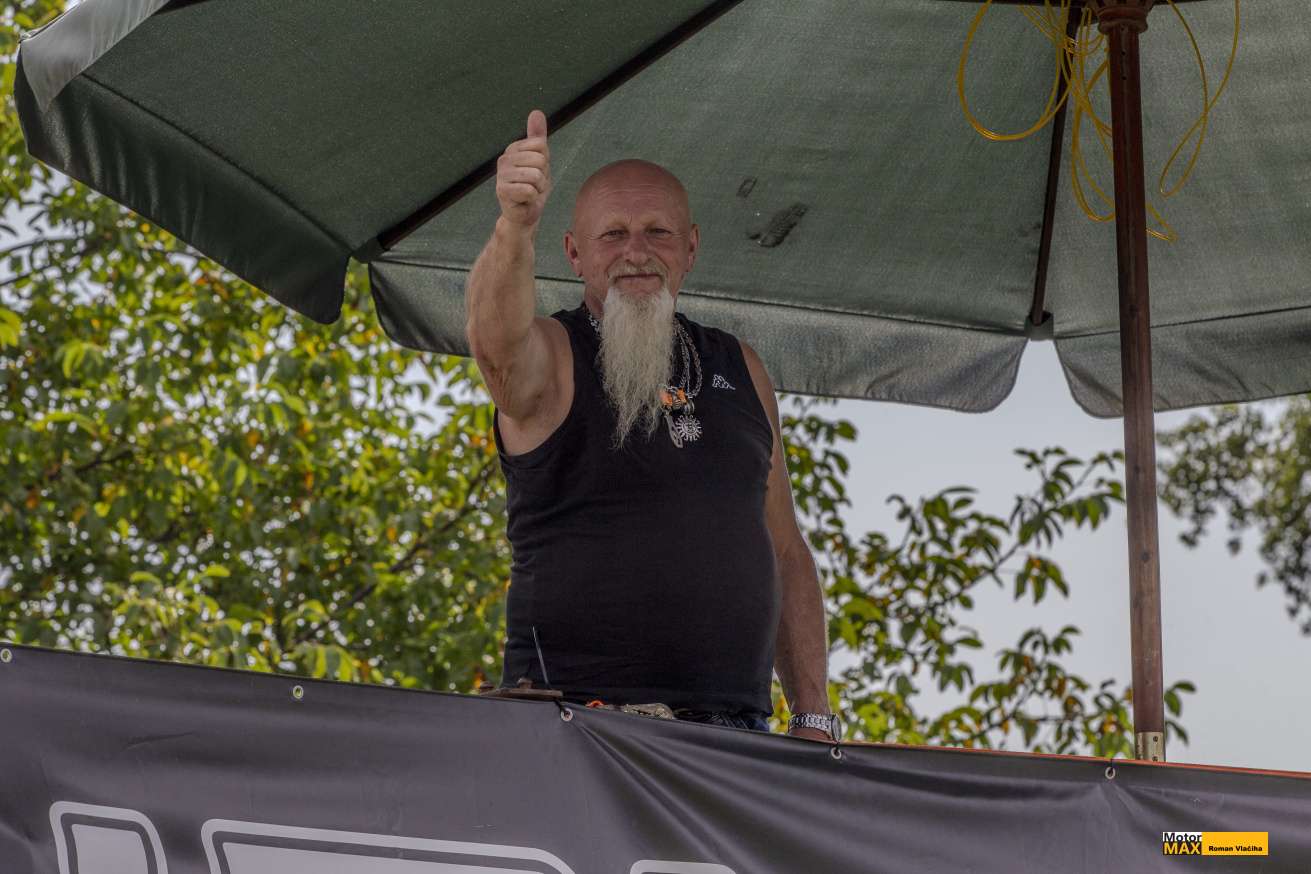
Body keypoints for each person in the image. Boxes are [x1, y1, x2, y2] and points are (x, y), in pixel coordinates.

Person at [465, 110, 835, 741]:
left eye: (657, 232)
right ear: (574, 253)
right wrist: (514, 226)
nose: (636, 252)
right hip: (576, 727)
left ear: (690, 248)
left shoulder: (741, 365)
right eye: (613, 234)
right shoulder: (554, 352)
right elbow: (496, 347)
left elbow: (784, 551)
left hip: (736, 734)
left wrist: (814, 714)